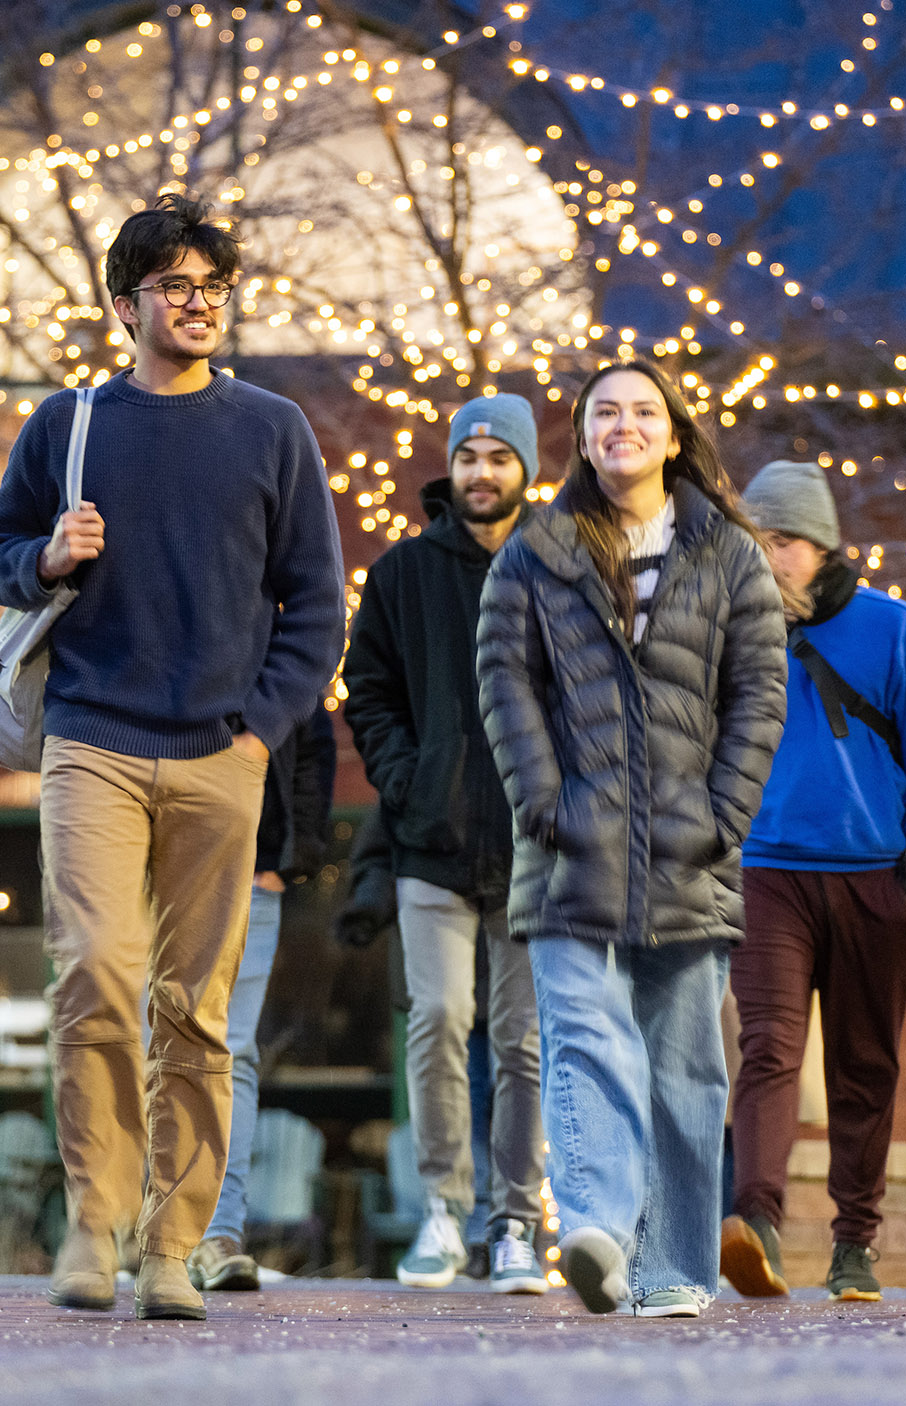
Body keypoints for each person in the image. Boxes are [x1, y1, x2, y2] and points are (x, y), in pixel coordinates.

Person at [0, 194, 345, 1321]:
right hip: (91, 740)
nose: (199, 303)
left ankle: (172, 1244)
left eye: (214, 287)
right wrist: (45, 554)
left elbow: (314, 602)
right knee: (93, 975)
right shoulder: (68, 425)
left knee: (198, 1008)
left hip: (221, 753)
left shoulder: (272, 428)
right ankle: (94, 1224)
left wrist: (258, 723)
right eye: (176, 286)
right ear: (125, 303)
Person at [476, 361, 789, 1318]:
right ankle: (600, 1232)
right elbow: (505, 682)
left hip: (690, 854)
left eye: (642, 411)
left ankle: (674, 1270)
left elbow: (759, 695)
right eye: (605, 411)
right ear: (582, 434)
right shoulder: (535, 547)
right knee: (581, 1038)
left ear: (673, 432)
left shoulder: (729, 554)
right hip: (569, 849)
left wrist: (723, 816)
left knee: (689, 1064)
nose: (624, 425)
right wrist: (545, 803)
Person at [718, 459, 906, 1304]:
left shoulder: (895, 632)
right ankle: (753, 1222)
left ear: (821, 546)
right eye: (754, 540)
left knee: (866, 1070)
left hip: (874, 878)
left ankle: (854, 1245)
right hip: (766, 875)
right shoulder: (728, 630)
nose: (765, 556)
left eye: (780, 541)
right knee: (769, 1049)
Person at [340, 394, 549, 1294]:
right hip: (431, 844)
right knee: (435, 1023)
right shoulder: (401, 576)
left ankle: (514, 1223)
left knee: (523, 1043)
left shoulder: (561, 568)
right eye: (469, 455)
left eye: (500, 457)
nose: (481, 472)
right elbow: (368, 690)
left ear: (526, 471)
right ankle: (440, 1210)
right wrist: (408, 778)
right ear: (451, 468)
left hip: (537, 848)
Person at [186, 704, 335, 1292]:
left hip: (252, 863)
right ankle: (162, 1233)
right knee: (157, 1044)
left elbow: (315, 734)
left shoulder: (281, 620)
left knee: (232, 1051)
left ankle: (218, 1233)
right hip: (157, 855)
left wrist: (284, 853)